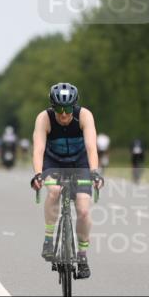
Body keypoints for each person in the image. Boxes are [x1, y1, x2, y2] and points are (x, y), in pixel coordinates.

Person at [30, 82, 104, 279]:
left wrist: (95, 172)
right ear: (52, 107)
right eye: (59, 109)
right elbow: (38, 149)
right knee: (53, 191)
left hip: (79, 163)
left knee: (83, 210)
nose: (64, 115)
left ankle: (82, 255)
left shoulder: (85, 116)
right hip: (53, 161)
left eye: (68, 109)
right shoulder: (44, 119)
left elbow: (91, 147)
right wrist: (38, 174)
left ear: (75, 106)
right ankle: (48, 239)